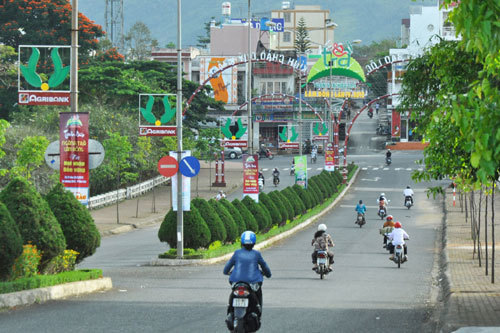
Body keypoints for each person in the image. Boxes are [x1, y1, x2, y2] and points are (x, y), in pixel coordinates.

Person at [223, 231, 272, 324]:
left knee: (233, 294)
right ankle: (258, 311)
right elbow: (264, 266)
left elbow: (227, 268)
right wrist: (268, 274)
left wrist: (226, 272)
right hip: (253, 282)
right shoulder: (256, 254)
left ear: (241, 243)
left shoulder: (237, 253)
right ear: (253, 243)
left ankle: (230, 311)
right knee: (258, 294)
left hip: (236, 281)